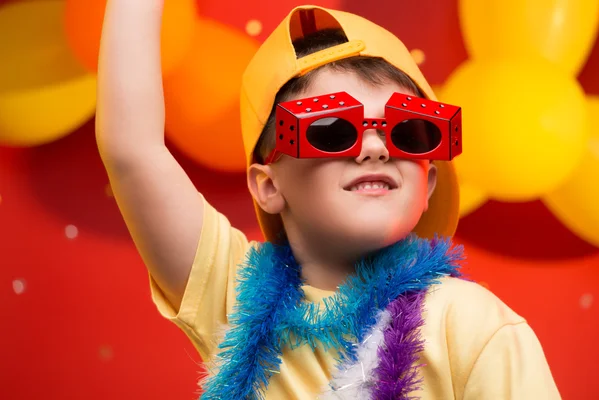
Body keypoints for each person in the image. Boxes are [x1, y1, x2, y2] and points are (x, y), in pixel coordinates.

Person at [96, 1, 561, 398]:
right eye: (333, 129)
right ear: (269, 185)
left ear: (429, 182)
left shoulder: (469, 322)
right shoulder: (234, 300)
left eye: (407, 131)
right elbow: (131, 151)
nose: (377, 147)